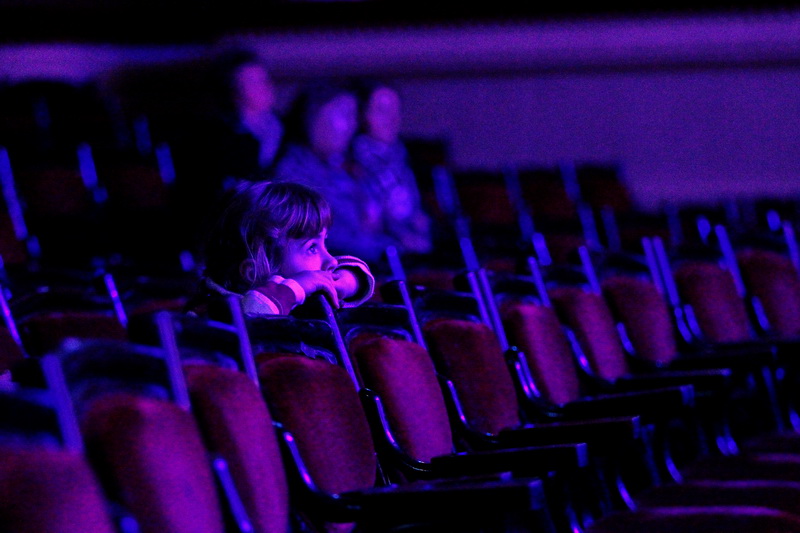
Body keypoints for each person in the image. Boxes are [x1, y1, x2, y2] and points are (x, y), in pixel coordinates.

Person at [187, 180, 375, 317]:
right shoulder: (212, 313)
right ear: (254, 271)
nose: (332, 260)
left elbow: (357, 273)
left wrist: (343, 282)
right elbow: (252, 315)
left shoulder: (298, 295)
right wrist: (296, 287)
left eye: (324, 243)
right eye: (312, 248)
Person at [270, 77, 395, 265]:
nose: (351, 125)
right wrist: (388, 247)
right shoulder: (292, 174)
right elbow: (323, 238)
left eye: (353, 116)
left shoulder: (346, 167)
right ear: (313, 116)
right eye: (344, 115)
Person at [351, 78, 434, 255]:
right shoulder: (352, 162)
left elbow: (413, 209)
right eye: (382, 111)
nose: (391, 119)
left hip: (414, 248)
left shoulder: (402, 157)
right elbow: (368, 221)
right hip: (379, 253)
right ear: (363, 115)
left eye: (396, 111)